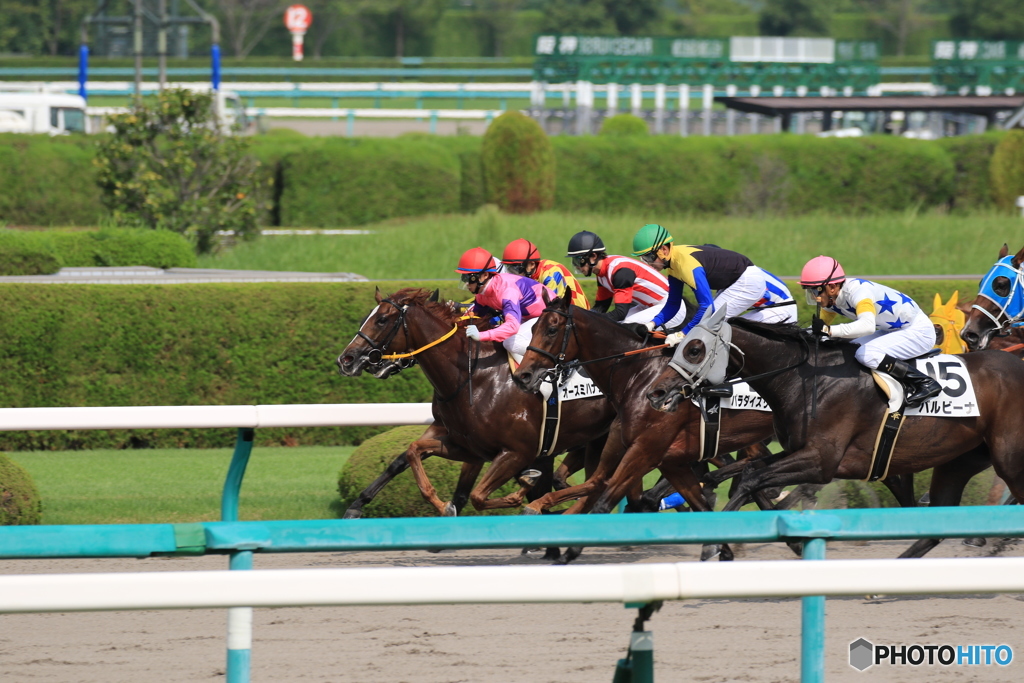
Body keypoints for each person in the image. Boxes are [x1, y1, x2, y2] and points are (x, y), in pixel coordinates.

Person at [799, 255, 941, 409]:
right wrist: (797, 335)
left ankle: (925, 383)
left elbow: (867, 326)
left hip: (919, 332)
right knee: (848, 349)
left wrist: (829, 331)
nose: (814, 296)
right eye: (810, 290)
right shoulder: (831, 299)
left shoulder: (858, 293)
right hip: (893, 330)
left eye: (815, 290)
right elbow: (818, 330)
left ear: (832, 287)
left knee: (866, 355)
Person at [630, 223, 797, 345]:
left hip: (748, 282)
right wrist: (651, 324)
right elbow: (673, 304)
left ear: (664, 250)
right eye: (643, 258)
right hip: (741, 281)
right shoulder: (674, 267)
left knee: (711, 324)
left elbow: (706, 308)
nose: (647, 263)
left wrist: (682, 334)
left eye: (649, 257)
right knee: (714, 326)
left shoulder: (686, 265)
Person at [456, 246, 555, 358]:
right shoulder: (482, 294)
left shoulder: (507, 291)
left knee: (511, 343)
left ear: (485, 275)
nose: (466, 283)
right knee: (499, 334)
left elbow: (512, 326)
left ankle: (553, 361)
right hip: (530, 317)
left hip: (550, 315)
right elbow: (475, 317)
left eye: (469, 278)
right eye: (463, 277)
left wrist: (481, 335)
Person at [566, 230, 668, 324]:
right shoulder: (601, 274)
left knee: (623, 327)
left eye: (578, 260)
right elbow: (601, 306)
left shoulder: (619, 272)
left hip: (668, 305)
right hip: (647, 306)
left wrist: (592, 321)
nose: (577, 266)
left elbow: (620, 313)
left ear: (593, 256)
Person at [501, 238, 590, 309]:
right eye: (509, 268)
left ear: (532, 265)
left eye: (516, 268)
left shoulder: (551, 273)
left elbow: (551, 307)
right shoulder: (529, 275)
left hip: (577, 316)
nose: (512, 274)